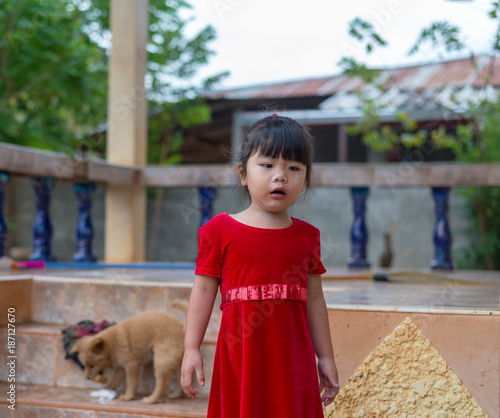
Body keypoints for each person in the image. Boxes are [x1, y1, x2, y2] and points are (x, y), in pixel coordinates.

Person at [180, 114, 339, 417]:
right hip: (242, 359)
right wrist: (191, 348)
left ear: (305, 177)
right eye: (267, 165)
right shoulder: (219, 231)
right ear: (243, 173)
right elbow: (202, 290)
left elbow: (315, 300)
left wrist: (325, 357)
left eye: (293, 168)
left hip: (293, 360)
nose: (280, 176)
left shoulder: (307, 236)